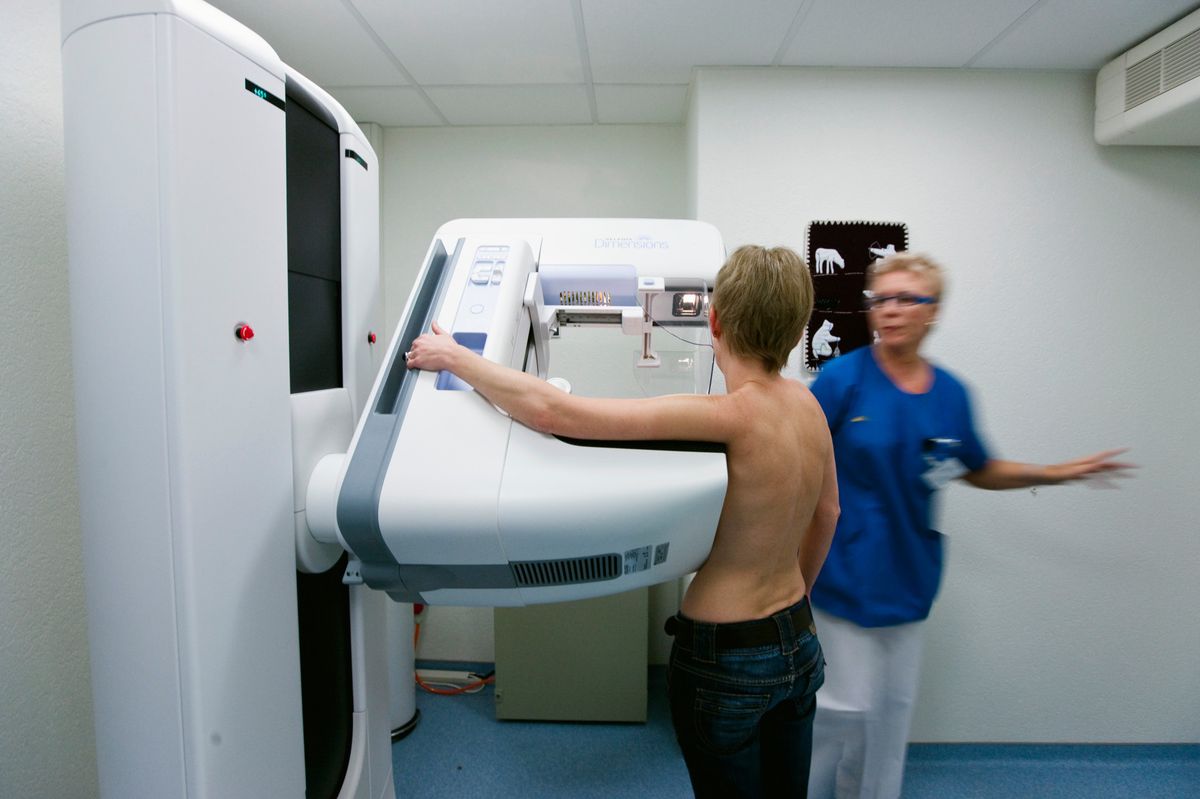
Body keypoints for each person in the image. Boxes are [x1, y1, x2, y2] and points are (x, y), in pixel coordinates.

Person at [406, 245, 840, 798]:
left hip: (727, 657)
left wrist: (458, 357)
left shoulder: (729, 414)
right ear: (798, 326)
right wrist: (796, 599)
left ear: (715, 321)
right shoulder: (810, 407)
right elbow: (829, 513)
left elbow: (557, 413)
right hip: (798, 641)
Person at [805, 252, 1133, 799]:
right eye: (881, 298)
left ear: (933, 312)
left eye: (907, 298)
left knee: (891, 714)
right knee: (842, 710)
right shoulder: (842, 380)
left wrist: (1057, 474)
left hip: (909, 576)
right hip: (840, 574)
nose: (890, 310)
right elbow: (801, 458)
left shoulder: (951, 395)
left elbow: (978, 468)